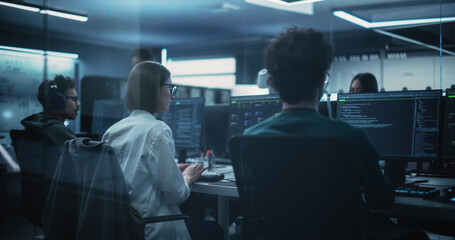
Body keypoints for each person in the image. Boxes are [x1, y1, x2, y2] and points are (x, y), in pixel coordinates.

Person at [244, 27, 427, 239]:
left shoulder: (250, 138)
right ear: (323, 79)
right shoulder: (349, 137)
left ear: (273, 82)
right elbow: (382, 200)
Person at [102, 61, 222, 240]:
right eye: (170, 88)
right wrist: (187, 177)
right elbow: (176, 194)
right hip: (152, 227)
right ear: (154, 89)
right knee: (215, 229)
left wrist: (172, 167)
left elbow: (132, 171)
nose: (173, 96)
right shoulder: (157, 129)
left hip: (123, 228)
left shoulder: (112, 131)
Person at [21, 74, 80, 153]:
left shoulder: (35, 125)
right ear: (58, 101)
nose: (78, 103)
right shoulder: (59, 132)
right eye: (74, 99)